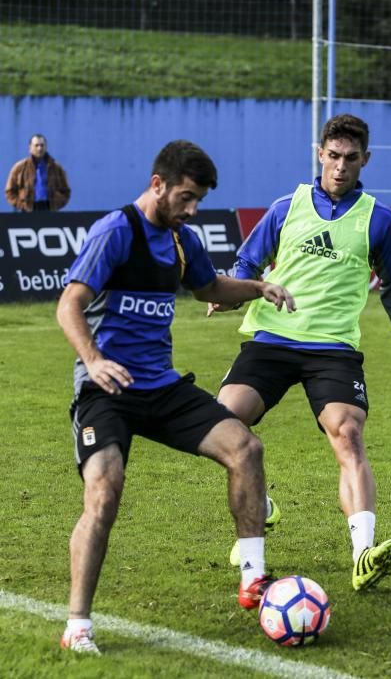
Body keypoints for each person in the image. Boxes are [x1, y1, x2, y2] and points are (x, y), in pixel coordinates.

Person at [56, 139, 296, 655]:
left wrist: (257, 288)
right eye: (186, 197)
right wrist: (95, 360)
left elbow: (209, 289)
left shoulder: (182, 240)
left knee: (246, 449)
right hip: (108, 390)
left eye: (199, 200)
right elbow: (68, 306)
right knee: (104, 490)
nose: (192, 209)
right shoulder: (116, 232)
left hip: (161, 387)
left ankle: (253, 579)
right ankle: (78, 624)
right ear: (158, 184)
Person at [209, 114, 391, 592]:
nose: (340, 167)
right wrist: (227, 291)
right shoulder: (285, 207)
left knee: (348, 435)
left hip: (333, 350)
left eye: (351, 159)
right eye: (333, 156)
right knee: (220, 425)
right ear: (320, 154)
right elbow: (248, 261)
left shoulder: (378, 219)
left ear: (364, 161)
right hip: (270, 340)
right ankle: (261, 505)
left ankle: (363, 553)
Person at [4, 134, 71, 212]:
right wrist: (21, 205)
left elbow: (66, 191)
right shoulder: (19, 168)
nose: (39, 148)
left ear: (46, 147)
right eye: (36, 145)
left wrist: (57, 204)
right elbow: (9, 191)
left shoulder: (56, 168)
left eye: (42, 145)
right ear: (30, 148)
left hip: (49, 208)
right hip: (27, 210)